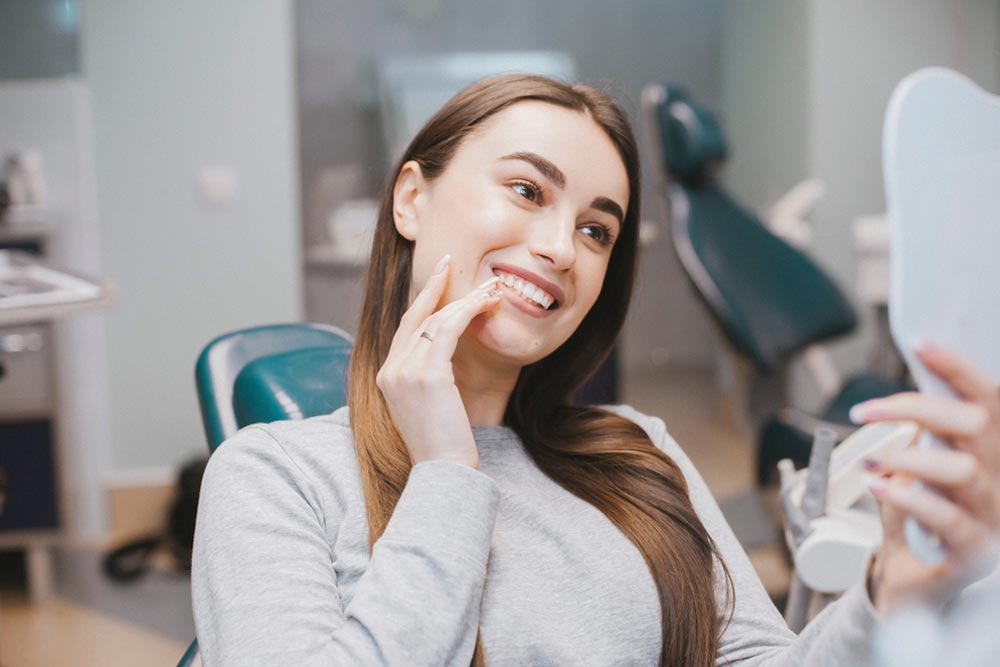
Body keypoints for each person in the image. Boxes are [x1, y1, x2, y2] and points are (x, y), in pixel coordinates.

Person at [192, 74, 1000, 666]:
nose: (558, 247)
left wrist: (894, 590)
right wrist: (446, 472)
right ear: (411, 196)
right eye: (524, 188)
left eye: (595, 231)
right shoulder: (273, 476)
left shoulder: (637, 452)